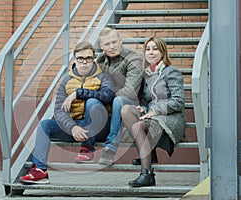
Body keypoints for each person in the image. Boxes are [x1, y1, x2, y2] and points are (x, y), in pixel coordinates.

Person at [19, 41, 115, 184]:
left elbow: (107, 96)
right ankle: (40, 171)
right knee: (45, 125)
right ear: (74, 59)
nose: (84, 62)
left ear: (94, 59)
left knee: (92, 103)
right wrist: (72, 127)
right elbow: (59, 109)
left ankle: (88, 149)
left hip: (99, 128)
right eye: (80, 58)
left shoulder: (104, 77)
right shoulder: (66, 80)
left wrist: (79, 93)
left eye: (88, 58)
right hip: (77, 128)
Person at [121, 37, 186, 187]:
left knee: (137, 127)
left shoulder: (171, 72)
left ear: (163, 52)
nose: (151, 52)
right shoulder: (147, 74)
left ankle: (147, 174)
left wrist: (155, 110)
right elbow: (145, 99)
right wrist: (143, 108)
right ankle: (149, 153)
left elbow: (179, 101)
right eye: (148, 49)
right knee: (126, 110)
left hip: (170, 117)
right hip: (151, 116)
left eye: (155, 49)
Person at [95, 27, 143, 166]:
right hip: (110, 102)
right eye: (107, 44)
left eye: (114, 42)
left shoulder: (133, 58)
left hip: (133, 104)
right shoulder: (101, 60)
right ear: (101, 46)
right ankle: (86, 146)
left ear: (120, 41)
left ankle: (110, 148)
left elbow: (130, 91)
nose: (112, 47)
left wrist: (105, 96)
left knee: (118, 100)